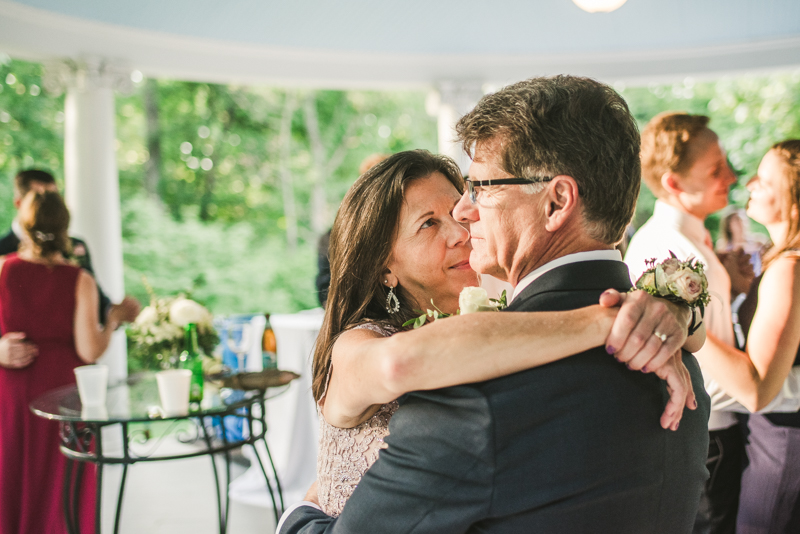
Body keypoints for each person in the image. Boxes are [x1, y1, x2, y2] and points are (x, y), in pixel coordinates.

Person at [279, 75, 710, 534]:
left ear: (557, 201)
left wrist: (297, 515)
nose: (465, 215)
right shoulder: (675, 359)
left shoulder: (470, 399)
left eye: (481, 187)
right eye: (429, 222)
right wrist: (645, 312)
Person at [624, 114, 800, 534]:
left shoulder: (698, 243)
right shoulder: (667, 252)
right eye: (715, 169)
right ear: (674, 184)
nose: (734, 176)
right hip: (707, 433)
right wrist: (684, 322)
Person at [0, 191, 139, 534]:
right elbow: (90, 350)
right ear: (65, 227)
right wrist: (113, 322)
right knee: (63, 481)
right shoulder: (80, 280)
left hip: (13, 393)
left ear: (25, 225)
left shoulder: (3, 270)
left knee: (12, 474)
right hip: (63, 396)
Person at [696, 141, 800, 533]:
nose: (751, 182)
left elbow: (757, 389)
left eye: (766, 180)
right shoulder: (780, 260)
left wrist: (687, 323)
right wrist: (740, 293)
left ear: (793, 204)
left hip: (783, 445)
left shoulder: (789, 268)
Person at [0, 169, 131, 372]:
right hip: (33, 375)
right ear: (19, 203)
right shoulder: (3, 255)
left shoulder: (78, 249)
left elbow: (99, 305)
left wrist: (114, 314)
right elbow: (90, 350)